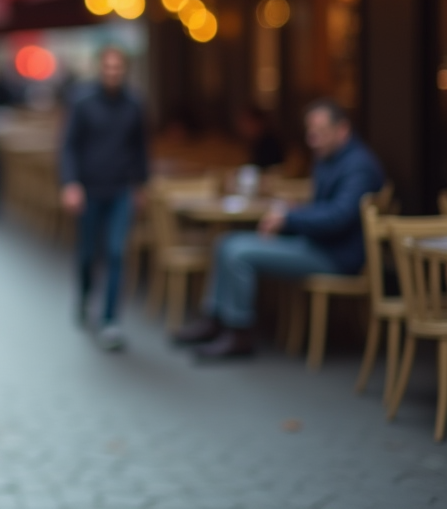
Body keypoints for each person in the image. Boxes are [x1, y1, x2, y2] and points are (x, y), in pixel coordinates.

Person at [174, 98, 385, 360]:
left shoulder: (358, 166)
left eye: (320, 132)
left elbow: (340, 216)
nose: (312, 139)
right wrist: (296, 210)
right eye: (310, 132)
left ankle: (238, 333)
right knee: (225, 242)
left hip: (336, 256)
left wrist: (290, 219)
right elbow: (328, 208)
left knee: (238, 252)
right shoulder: (330, 158)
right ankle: (216, 319)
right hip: (319, 244)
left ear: (342, 130)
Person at [59, 46, 149, 351]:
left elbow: (140, 148)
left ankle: (111, 320)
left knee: (116, 252)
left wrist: (141, 185)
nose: (113, 74)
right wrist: (70, 183)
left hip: (121, 189)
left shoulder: (135, 104)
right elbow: (69, 146)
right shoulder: (82, 101)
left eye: (118, 69)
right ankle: (85, 296)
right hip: (89, 189)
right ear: (101, 69)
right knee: (87, 254)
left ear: (124, 71)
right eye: (108, 68)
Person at [237, 105, 285, 171]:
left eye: (249, 122)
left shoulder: (270, 143)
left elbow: (264, 167)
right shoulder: (254, 142)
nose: (244, 127)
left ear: (259, 122)